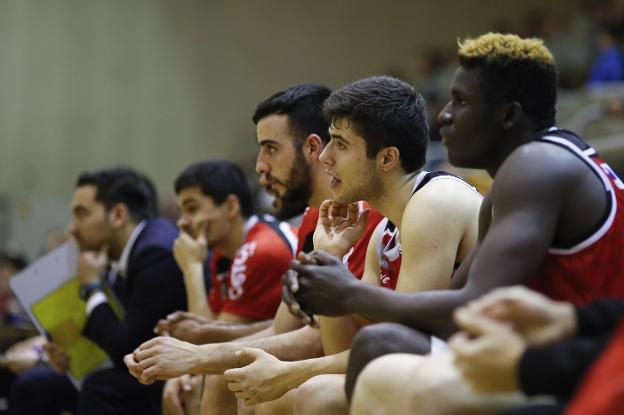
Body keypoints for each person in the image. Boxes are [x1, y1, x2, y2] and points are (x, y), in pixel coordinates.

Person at [284, 32, 624, 409]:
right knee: (377, 346)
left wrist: (345, 292)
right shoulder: (517, 177)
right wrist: (332, 281)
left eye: (461, 102)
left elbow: (472, 304)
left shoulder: (536, 166)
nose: (444, 115)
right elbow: (451, 312)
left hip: (596, 363)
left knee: (367, 372)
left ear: (508, 115)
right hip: (577, 350)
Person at [222, 76, 482, 415]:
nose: (325, 158)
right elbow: (347, 348)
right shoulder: (384, 231)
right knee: (273, 399)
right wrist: (331, 258)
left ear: (387, 158)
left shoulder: (434, 203)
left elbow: (398, 345)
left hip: (498, 363)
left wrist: (287, 373)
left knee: (312, 395)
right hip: (441, 360)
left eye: (341, 145)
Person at [126, 84, 383, 415]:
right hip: (340, 357)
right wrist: (204, 340)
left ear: (312, 148)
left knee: (231, 382)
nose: (260, 166)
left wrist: (198, 355)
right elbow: (282, 329)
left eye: (271, 149)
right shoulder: (310, 220)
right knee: (221, 379)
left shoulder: (357, 218)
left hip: (362, 362)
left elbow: (322, 339)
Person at [9, 167, 187, 415]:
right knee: (34, 386)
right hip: (142, 369)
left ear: (118, 214)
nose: (72, 228)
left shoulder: (156, 252)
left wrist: (92, 286)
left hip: (175, 378)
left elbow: (129, 349)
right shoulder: (121, 253)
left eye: (81, 214)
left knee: (100, 387)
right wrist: (69, 355)